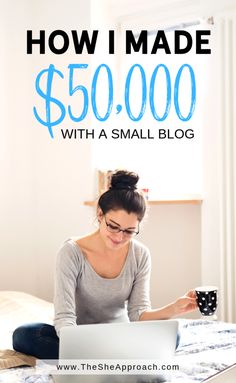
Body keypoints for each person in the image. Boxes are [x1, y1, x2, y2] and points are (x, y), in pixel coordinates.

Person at [13, 170, 197, 359]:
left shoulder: (140, 255)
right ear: (100, 214)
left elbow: (137, 314)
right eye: (113, 226)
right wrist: (79, 344)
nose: (119, 237)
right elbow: (65, 319)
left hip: (120, 335)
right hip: (80, 338)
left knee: (173, 334)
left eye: (129, 231)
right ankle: (115, 359)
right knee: (25, 335)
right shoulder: (71, 252)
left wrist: (174, 308)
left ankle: (100, 359)